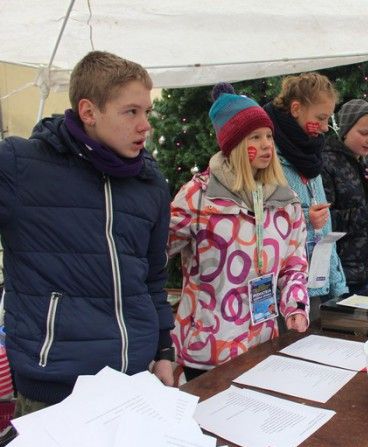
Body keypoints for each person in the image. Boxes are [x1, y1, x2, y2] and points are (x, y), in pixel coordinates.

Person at [0, 51, 175, 419]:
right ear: (89, 111)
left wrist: (163, 352)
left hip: (133, 379)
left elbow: (153, 278)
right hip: (54, 390)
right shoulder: (20, 165)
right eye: (131, 112)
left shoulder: (150, 183)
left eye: (146, 112)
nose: (145, 125)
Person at [169, 83, 309, 381]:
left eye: (269, 136)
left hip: (261, 346)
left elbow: (294, 264)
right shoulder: (197, 197)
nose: (267, 144)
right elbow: (152, 254)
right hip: (206, 352)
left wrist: (296, 306)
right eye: (255, 137)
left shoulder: (286, 202)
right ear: (233, 144)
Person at [263, 73, 347, 323]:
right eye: (320, 118)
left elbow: (324, 229)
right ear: (296, 109)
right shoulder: (268, 157)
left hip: (317, 284)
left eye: (327, 119)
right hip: (286, 292)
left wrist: (337, 284)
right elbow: (260, 220)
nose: (325, 127)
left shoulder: (311, 155)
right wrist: (304, 219)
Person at [321, 99, 368, 293]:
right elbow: (324, 222)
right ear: (345, 130)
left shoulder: (366, 163)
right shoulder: (326, 163)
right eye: (364, 133)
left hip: (365, 271)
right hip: (337, 274)